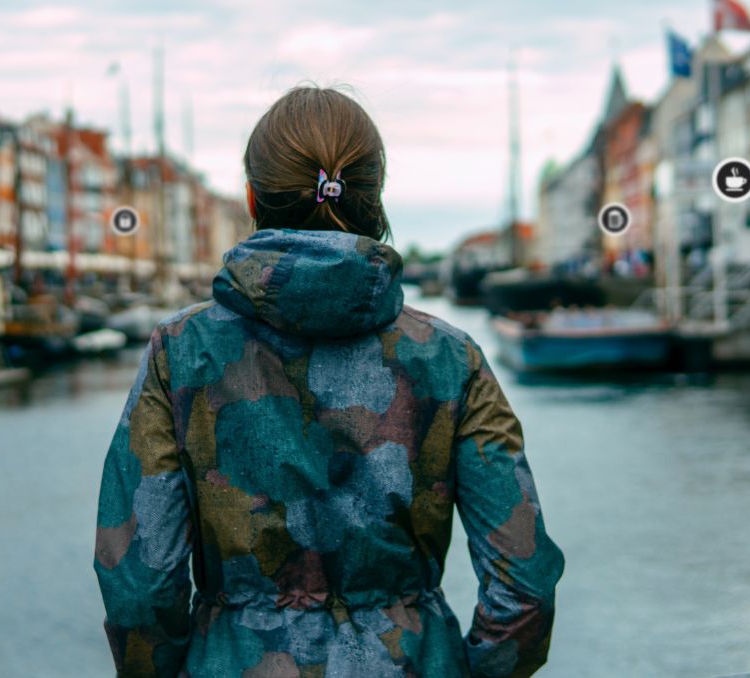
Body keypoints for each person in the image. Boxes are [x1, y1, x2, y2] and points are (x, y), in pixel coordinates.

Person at [94, 86, 564, 678]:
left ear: (251, 197)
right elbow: (523, 587)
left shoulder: (181, 354)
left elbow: (140, 584)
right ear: (376, 199)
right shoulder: (452, 359)